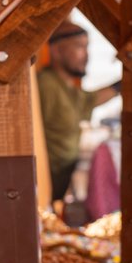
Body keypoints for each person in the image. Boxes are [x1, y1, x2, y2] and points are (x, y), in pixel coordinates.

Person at [37, 20, 117, 204]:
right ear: (57, 51)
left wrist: (125, 82)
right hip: (48, 177)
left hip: (62, 178)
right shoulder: (46, 85)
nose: (86, 55)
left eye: (87, 47)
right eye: (79, 47)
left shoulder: (67, 87)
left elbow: (90, 101)